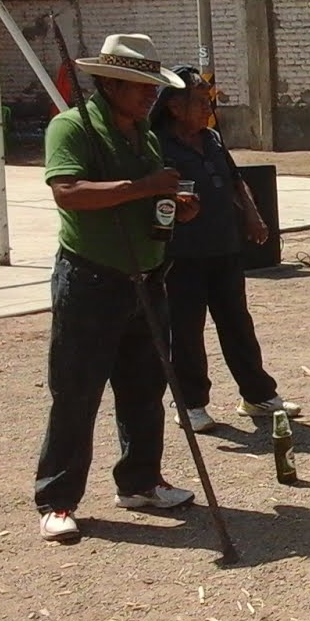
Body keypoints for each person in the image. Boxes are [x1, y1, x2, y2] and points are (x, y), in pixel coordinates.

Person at [34, 33, 201, 543]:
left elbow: (149, 201)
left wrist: (174, 210)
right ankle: (58, 500)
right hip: (91, 279)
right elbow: (69, 193)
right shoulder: (72, 127)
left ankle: (141, 482)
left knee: (145, 389)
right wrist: (144, 189)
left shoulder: (144, 134)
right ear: (108, 83)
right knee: (77, 392)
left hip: (147, 278)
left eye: (153, 86)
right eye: (138, 86)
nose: (151, 95)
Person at [155, 67, 300, 433]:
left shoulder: (213, 139)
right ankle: (191, 404)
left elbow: (236, 181)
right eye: (201, 102)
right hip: (181, 255)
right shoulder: (156, 144)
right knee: (186, 330)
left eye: (210, 102)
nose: (209, 109)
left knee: (237, 323)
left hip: (223, 249)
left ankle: (256, 395)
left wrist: (253, 215)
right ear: (174, 106)